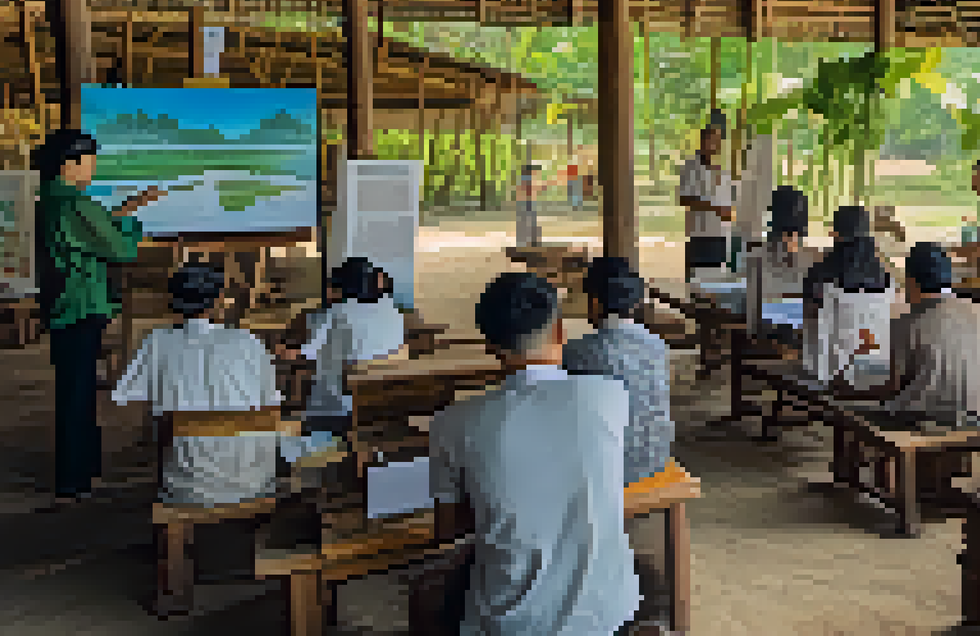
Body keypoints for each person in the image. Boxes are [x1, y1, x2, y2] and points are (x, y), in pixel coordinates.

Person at [426, 273, 639, 636]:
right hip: (607, 612)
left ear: (491, 346)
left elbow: (448, 529)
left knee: (430, 593)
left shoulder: (451, 424)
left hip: (511, 623)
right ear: (560, 332)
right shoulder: (609, 396)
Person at [34, 128, 165, 502]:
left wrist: (126, 209)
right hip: (79, 305)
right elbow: (118, 247)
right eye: (89, 161)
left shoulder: (55, 200)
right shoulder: (74, 203)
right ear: (69, 164)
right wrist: (132, 224)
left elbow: (92, 233)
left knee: (77, 390)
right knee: (78, 395)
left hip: (65, 305)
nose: (92, 168)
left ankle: (83, 470)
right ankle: (74, 481)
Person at [112, 263, 283, 507]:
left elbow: (130, 398)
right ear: (218, 300)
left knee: (161, 415)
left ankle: (171, 479)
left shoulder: (158, 341)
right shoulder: (248, 341)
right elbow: (270, 403)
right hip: (256, 480)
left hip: (187, 487)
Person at [835, 242, 980, 428]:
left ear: (911, 281)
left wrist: (850, 391)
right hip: (976, 417)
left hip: (922, 420)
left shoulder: (906, 323)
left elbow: (893, 387)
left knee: (846, 411)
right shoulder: (979, 313)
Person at [562, 256, 674, 485]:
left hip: (605, 467)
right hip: (655, 457)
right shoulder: (657, 344)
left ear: (594, 302)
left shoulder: (578, 351)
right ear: (635, 303)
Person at [280, 257, 406, 434]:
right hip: (385, 397)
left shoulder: (335, 314)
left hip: (343, 407)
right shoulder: (393, 311)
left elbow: (307, 354)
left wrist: (283, 352)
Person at [803, 206, 894, 387]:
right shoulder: (884, 276)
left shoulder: (821, 272)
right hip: (877, 371)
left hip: (829, 371)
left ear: (835, 234)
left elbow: (806, 315)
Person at [744, 186, 818, 336]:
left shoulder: (757, 255)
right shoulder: (814, 258)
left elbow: (752, 311)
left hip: (767, 336)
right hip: (804, 337)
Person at [677, 111, 735, 280]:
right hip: (700, 236)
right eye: (711, 139)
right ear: (703, 140)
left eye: (718, 140)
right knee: (697, 283)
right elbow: (684, 199)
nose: (714, 144)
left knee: (716, 283)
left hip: (721, 235)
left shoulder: (722, 168)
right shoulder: (690, 167)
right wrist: (715, 208)